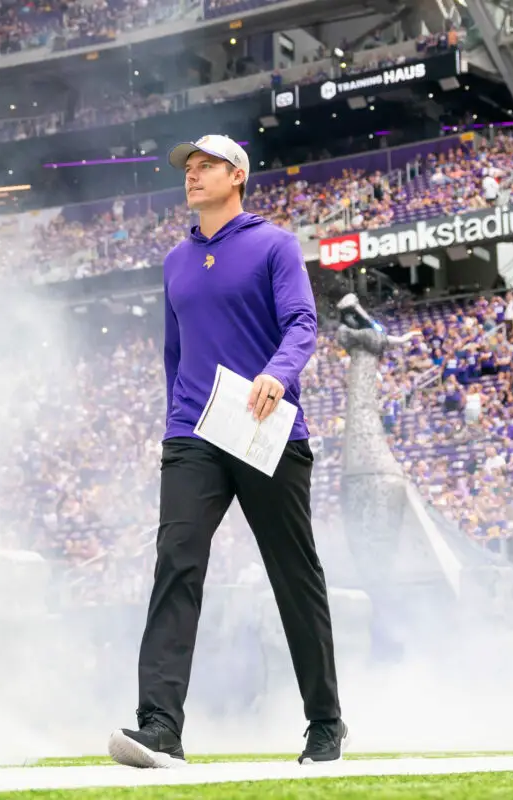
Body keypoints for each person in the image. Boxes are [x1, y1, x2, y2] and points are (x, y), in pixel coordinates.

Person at [107, 135, 347, 769]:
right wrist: (172, 427)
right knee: (175, 565)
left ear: (237, 175)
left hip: (267, 428)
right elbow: (173, 353)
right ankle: (159, 726)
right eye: (188, 167)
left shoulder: (275, 244)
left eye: (206, 165)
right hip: (194, 433)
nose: (193, 175)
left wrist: (278, 372)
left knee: (294, 575)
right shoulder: (175, 262)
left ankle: (325, 723)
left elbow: (302, 323)